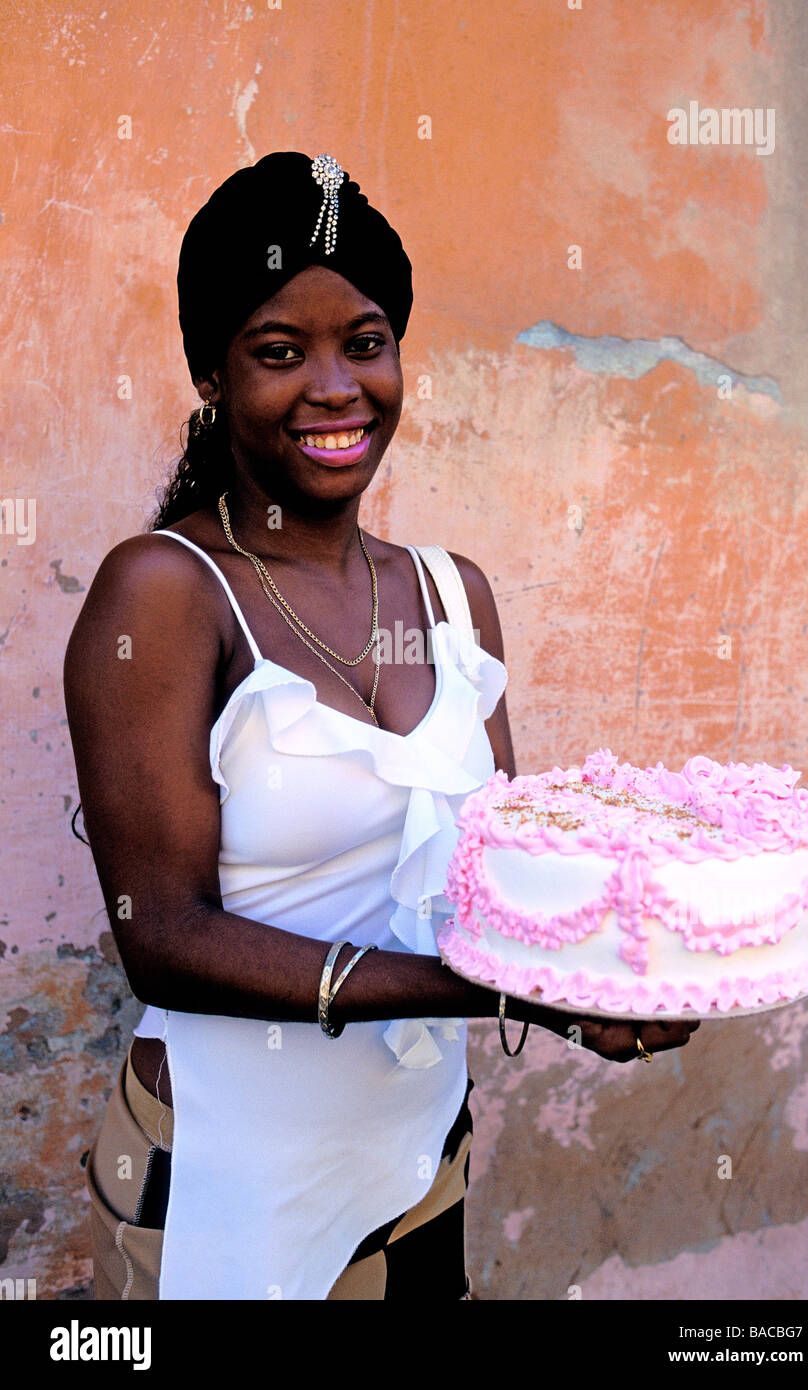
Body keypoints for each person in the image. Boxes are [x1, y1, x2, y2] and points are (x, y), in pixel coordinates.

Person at [63, 151, 699, 1301]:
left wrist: (605, 972)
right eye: (277, 351)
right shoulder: (163, 594)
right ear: (211, 372)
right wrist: (508, 997)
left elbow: (494, 887)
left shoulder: (454, 597)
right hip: (220, 1182)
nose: (333, 386)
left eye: (364, 342)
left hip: (416, 1163)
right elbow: (160, 934)